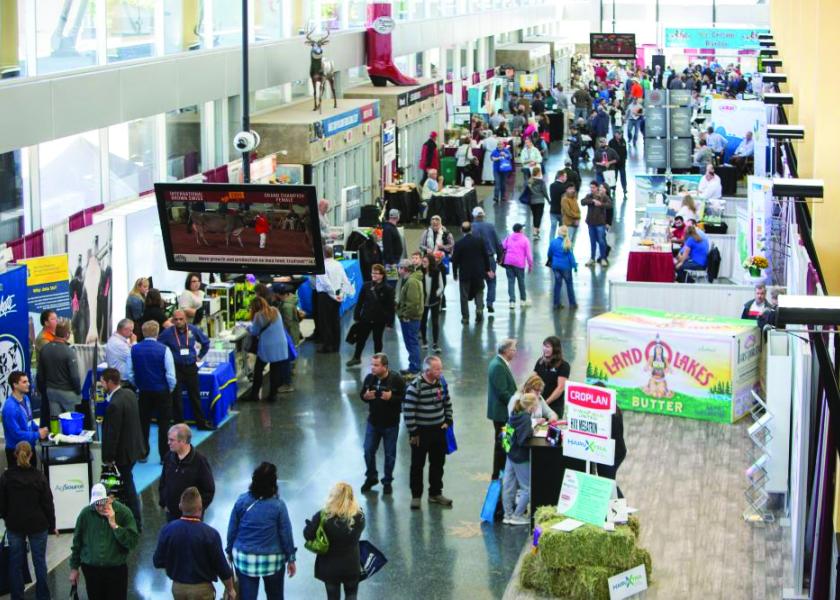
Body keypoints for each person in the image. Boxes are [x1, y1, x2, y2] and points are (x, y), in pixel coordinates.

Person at [226, 463, 296, 600]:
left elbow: (232, 530)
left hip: (245, 559)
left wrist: (229, 551)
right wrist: (291, 559)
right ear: (273, 483)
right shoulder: (279, 506)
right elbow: (286, 534)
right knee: (275, 596)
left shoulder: (241, 501)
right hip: (273, 559)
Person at [154, 487, 236, 600]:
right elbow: (221, 567)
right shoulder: (211, 534)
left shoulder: (167, 530)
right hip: (202, 591)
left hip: (178, 588)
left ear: (180, 506)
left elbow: (157, 561)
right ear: (200, 508)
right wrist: (230, 589)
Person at [0, 441, 55, 600]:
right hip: (38, 525)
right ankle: (43, 597)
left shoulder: (6, 477)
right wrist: (52, 525)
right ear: (31, 455)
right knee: (40, 563)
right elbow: (47, 503)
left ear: (15, 455)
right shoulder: (39, 477)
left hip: (15, 525)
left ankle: (17, 597)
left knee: (15, 564)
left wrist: (7, 518)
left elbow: (2, 504)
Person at [69, 483, 139, 600]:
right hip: (92, 571)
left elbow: (132, 542)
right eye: (97, 503)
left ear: (110, 499)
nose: (100, 508)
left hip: (116, 571)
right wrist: (74, 568)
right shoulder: (85, 514)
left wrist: (114, 525)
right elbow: (77, 543)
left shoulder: (124, 513)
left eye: (102, 502)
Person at [404, 356, 453, 509]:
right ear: (427, 370)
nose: (440, 371)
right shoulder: (415, 386)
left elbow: (447, 402)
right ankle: (416, 496)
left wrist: (448, 420)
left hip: (439, 431)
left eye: (440, 368)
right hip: (421, 433)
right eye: (437, 369)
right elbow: (408, 410)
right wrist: (413, 432)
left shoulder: (441, 383)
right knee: (417, 465)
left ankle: (435, 493)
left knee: (438, 463)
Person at [303, 482, 365, 600]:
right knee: (351, 595)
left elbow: (308, 535)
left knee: (332, 597)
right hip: (352, 566)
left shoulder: (322, 516)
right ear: (351, 497)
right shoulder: (359, 517)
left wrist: (310, 525)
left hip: (329, 568)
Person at [100, 368, 145, 531]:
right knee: (127, 484)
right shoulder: (129, 394)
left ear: (110, 382)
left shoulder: (114, 404)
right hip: (133, 449)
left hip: (123, 455)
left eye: (103, 381)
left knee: (127, 486)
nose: (101, 384)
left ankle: (136, 521)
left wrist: (108, 458)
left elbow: (113, 434)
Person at [159, 309, 214, 430]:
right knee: (176, 398)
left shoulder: (193, 330)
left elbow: (206, 342)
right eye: (175, 319)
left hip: (190, 367)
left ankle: (201, 423)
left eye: (181, 319)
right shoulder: (168, 333)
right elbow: (158, 346)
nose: (178, 321)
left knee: (195, 396)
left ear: (186, 319)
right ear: (172, 320)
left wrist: (200, 356)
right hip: (176, 368)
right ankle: (179, 425)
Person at [359, 354, 406, 495]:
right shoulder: (369, 379)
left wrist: (391, 397)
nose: (372, 368)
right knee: (368, 450)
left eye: (376, 365)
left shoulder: (396, 379)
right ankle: (371, 477)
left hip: (390, 424)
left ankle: (387, 481)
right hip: (373, 422)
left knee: (389, 454)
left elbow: (404, 397)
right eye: (372, 365)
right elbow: (363, 394)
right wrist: (365, 397)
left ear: (385, 367)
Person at [131, 320, 177, 462]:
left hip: (144, 391)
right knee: (164, 424)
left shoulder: (134, 349)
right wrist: (169, 389)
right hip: (162, 390)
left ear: (143, 332)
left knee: (143, 423)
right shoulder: (164, 350)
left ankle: (143, 453)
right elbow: (170, 375)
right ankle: (164, 456)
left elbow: (129, 373)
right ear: (158, 333)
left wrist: (138, 385)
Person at [159, 424, 215, 521]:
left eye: (172, 440)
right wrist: (164, 503)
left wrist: (196, 511)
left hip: (191, 519)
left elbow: (208, 491)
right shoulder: (169, 457)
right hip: (171, 516)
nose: (168, 443)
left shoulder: (200, 462)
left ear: (183, 441)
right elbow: (163, 482)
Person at [347, 264, 395, 367]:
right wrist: (356, 315)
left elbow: (391, 307)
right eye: (372, 272)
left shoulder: (388, 289)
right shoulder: (366, 286)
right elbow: (359, 302)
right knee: (361, 339)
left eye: (376, 273)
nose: (373, 275)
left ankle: (378, 361)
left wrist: (390, 322)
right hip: (366, 318)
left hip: (380, 320)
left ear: (382, 275)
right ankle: (356, 357)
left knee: (377, 340)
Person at [501, 393, 538, 525]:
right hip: (520, 456)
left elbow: (511, 433)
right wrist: (531, 432)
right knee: (527, 488)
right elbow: (523, 440)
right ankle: (517, 516)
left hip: (510, 453)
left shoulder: (514, 413)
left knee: (508, 484)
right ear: (531, 407)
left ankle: (508, 514)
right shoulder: (525, 419)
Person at [247, 297, 293, 400]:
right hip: (281, 345)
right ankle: (273, 395)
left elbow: (254, 332)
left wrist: (247, 327)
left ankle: (254, 394)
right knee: (275, 371)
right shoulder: (275, 310)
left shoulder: (258, 316)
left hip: (267, 347)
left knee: (258, 370)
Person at [2, 372, 48, 468]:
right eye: (24, 382)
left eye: (28, 381)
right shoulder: (9, 407)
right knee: (18, 482)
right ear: (15, 385)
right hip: (16, 451)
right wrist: (38, 434)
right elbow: (16, 434)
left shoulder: (26, 398)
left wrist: (38, 428)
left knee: (33, 479)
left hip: (29, 448)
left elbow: (29, 421)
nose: (28, 384)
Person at [37, 321, 81, 421]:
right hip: (68, 393)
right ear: (67, 335)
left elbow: (40, 375)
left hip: (51, 392)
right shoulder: (69, 352)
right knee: (70, 420)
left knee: (55, 420)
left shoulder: (45, 349)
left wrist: (43, 391)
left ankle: (56, 436)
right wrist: (78, 391)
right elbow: (74, 376)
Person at [487, 339, 518, 482]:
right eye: (513, 349)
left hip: (502, 412)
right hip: (502, 414)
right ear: (506, 351)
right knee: (502, 444)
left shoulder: (500, 363)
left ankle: (501, 472)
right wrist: (517, 405)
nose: (515, 351)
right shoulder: (498, 366)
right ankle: (498, 474)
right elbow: (502, 392)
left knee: (504, 443)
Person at [452, 221, 492, 324]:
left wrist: (455, 274)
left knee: (464, 296)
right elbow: (485, 256)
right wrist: (487, 270)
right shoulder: (480, 241)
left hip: (465, 273)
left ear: (461, 230)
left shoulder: (459, 244)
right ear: (471, 229)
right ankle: (479, 309)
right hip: (478, 273)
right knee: (479, 292)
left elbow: (455, 260)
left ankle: (465, 317)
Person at [470, 207, 502, 314]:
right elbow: (498, 243)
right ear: (483, 215)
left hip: (476, 260)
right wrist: (500, 257)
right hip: (489, 259)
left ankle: (479, 305)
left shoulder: (471, 228)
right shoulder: (490, 226)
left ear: (474, 216)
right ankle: (490, 303)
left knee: (478, 282)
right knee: (491, 281)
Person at [396, 259, 424, 377]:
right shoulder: (411, 280)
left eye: (399, 268)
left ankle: (415, 368)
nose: (398, 270)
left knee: (411, 343)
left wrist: (405, 315)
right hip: (412, 318)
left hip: (410, 319)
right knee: (411, 343)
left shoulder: (411, 282)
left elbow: (412, 302)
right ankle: (413, 366)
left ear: (405, 269)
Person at [533, 336, 571, 416]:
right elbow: (532, 381)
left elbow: (560, 388)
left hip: (554, 406)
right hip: (538, 404)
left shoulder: (563, 366)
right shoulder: (540, 362)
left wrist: (545, 403)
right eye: (544, 346)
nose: (545, 349)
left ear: (555, 349)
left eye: (548, 347)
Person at [501, 223, 533, 307]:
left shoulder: (508, 237)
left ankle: (512, 302)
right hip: (519, 264)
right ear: (520, 230)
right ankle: (523, 300)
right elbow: (529, 255)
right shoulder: (525, 240)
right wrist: (530, 265)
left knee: (511, 282)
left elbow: (502, 246)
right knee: (521, 282)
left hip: (508, 262)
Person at [547, 226, 578, 310]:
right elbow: (571, 256)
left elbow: (549, 253)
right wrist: (575, 266)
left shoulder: (553, 242)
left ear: (558, 232)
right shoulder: (567, 242)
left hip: (556, 266)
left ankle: (556, 304)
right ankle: (572, 304)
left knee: (557, 284)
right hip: (566, 267)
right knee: (569, 285)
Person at [581, 181, 611, 267]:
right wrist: (592, 201)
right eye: (591, 187)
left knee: (601, 241)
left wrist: (601, 204)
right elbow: (582, 202)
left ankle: (603, 258)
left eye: (593, 187)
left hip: (600, 223)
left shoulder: (603, 196)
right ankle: (592, 258)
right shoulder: (589, 196)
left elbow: (610, 205)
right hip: (590, 223)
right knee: (592, 241)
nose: (592, 189)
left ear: (597, 187)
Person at [419, 254, 444, 352]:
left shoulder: (437, 272)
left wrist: (436, 294)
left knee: (435, 322)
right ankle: (424, 341)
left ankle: (435, 343)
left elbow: (441, 286)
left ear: (430, 262)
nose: (423, 263)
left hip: (434, 301)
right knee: (423, 321)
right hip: (423, 302)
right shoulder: (420, 272)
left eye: (425, 262)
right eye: (423, 261)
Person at [105, 318, 135, 383]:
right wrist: (134, 342)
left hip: (118, 377)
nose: (132, 333)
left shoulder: (115, 340)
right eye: (131, 330)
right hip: (122, 381)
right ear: (124, 330)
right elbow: (134, 357)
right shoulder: (118, 343)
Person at [549, 171, 573, 243]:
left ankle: (551, 243)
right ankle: (561, 243)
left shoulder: (552, 186)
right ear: (561, 176)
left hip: (553, 210)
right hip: (562, 212)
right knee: (562, 229)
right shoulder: (564, 187)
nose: (566, 178)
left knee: (553, 228)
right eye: (565, 176)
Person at [526, 166, 548, 239]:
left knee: (535, 215)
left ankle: (535, 230)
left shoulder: (530, 181)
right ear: (538, 173)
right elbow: (544, 192)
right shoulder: (541, 182)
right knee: (539, 216)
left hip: (532, 201)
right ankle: (536, 231)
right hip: (540, 201)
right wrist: (548, 200)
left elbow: (527, 190)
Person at [608, 129, 628, 198]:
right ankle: (613, 189)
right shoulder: (611, 142)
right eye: (618, 133)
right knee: (614, 177)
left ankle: (624, 189)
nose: (619, 135)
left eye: (621, 134)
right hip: (614, 163)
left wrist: (625, 158)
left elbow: (625, 151)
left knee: (623, 177)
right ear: (615, 134)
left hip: (622, 163)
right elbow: (609, 152)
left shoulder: (623, 141)